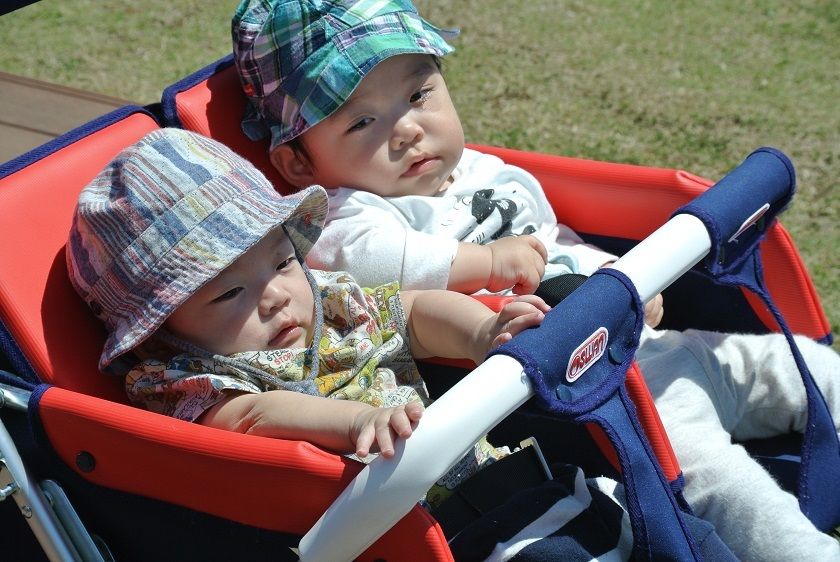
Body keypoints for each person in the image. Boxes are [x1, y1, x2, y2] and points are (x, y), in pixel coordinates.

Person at [229, 0, 840, 559]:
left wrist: (623, 279)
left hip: (661, 348)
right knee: (729, 486)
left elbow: (558, 243)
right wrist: (489, 265)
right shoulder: (347, 216)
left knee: (806, 369)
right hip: (601, 396)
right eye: (362, 122)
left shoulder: (478, 170)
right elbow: (380, 264)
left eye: (418, 94)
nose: (407, 129)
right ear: (298, 162)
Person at [66, 127, 637, 560]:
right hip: (396, 535)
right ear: (160, 330)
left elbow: (413, 313)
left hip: (496, 476)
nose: (276, 297)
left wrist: (482, 334)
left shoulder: (327, 299)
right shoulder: (183, 377)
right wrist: (354, 421)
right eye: (230, 293)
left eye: (282, 262)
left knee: (627, 515)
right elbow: (251, 417)